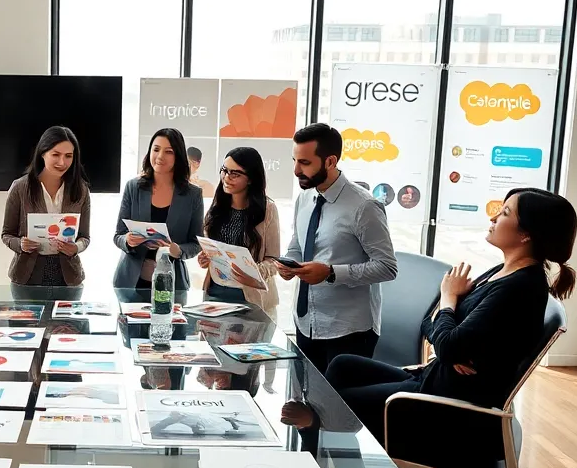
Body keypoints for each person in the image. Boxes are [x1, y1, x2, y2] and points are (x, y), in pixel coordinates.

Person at [299, 187, 577, 468]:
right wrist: (449, 334)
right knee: (341, 367)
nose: (493, 217)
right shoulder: (503, 272)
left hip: (450, 411)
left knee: (337, 412)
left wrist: (448, 304)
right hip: (436, 382)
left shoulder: (519, 289)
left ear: (526, 233)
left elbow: (447, 337)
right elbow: (437, 332)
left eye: (505, 212)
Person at [275, 123, 397, 376]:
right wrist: (289, 265)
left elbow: (387, 267)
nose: (296, 170)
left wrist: (331, 273)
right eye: (295, 160)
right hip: (306, 322)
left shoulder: (365, 206)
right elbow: (298, 244)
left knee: (339, 412)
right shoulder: (305, 198)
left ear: (330, 161)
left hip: (349, 331)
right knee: (306, 404)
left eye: (305, 163)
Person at [113, 128, 204, 290]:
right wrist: (127, 240)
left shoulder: (193, 194)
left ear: (179, 156)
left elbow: (196, 244)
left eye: (168, 151)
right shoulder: (133, 187)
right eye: (156, 149)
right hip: (131, 282)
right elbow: (118, 235)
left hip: (173, 282)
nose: (160, 156)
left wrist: (178, 250)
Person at [2, 126, 93, 288]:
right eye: (55, 155)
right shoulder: (20, 188)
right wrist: (21, 244)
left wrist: (75, 248)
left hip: (69, 276)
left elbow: (85, 237)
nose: (62, 162)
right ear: (43, 153)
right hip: (26, 276)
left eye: (68, 156)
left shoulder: (81, 190)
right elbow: (7, 234)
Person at [197, 147, 281, 315]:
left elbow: (274, 260)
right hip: (215, 295)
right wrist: (204, 258)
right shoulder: (217, 207)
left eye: (235, 173)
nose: (227, 178)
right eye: (224, 170)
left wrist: (254, 272)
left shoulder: (268, 209)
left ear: (250, 179)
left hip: (251, 299)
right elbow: (212, 250)